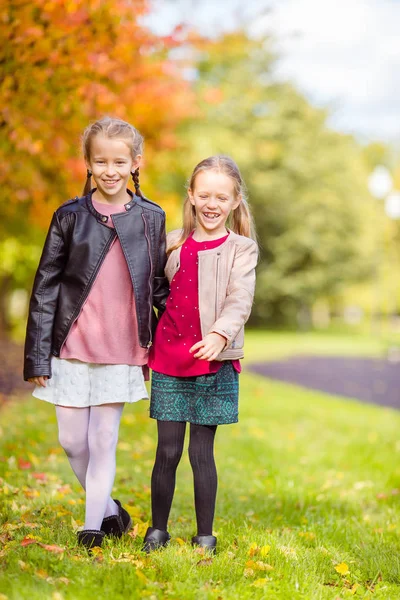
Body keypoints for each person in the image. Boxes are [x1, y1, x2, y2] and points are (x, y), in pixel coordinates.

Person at [24, 116, 169, 550]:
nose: (110, 170)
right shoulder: (69, 216)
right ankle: (111, 512)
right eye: (100, 161)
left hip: (121, 346)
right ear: (88, 163)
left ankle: (91, 529)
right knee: (71, 441)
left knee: (103, 438)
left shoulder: (151, 217)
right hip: (71, 345)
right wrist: (36, 356)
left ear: (135, 162)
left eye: (119, 161)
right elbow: (46, 286)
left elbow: (159, 285)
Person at [143, 155, 258, 554]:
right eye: (204, 194)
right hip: (171, 357)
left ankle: (204, 536)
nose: (212, 203)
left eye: (221, 197)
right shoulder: (173, 242)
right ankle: (158, 531)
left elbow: (240, 297)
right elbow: (155, 289)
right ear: (191, 196)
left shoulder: (241, 249)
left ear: (235, 201)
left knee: (200, 452)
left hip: (213, 359)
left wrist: (219, 334)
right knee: (168, 450)